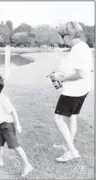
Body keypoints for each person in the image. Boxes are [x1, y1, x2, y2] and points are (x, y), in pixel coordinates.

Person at [48, 21, 93, 162]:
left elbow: (81, 74)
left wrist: (60, 78)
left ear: (69, 34)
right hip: (82, 89)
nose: (62, 38)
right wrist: (60, 74)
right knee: (72, 117)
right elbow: (80, 71)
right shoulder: (83, 47)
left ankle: (72, 151)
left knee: (59, 119)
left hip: (74, 91)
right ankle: (69, 145)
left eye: (63, 35)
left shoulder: (78, 49)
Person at [0, 73, 33, 177]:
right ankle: (0, 161)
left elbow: (13, 111)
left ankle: (27, 165)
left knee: (14, 146)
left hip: (7, 126)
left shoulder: (3, 99)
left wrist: (18, 125)